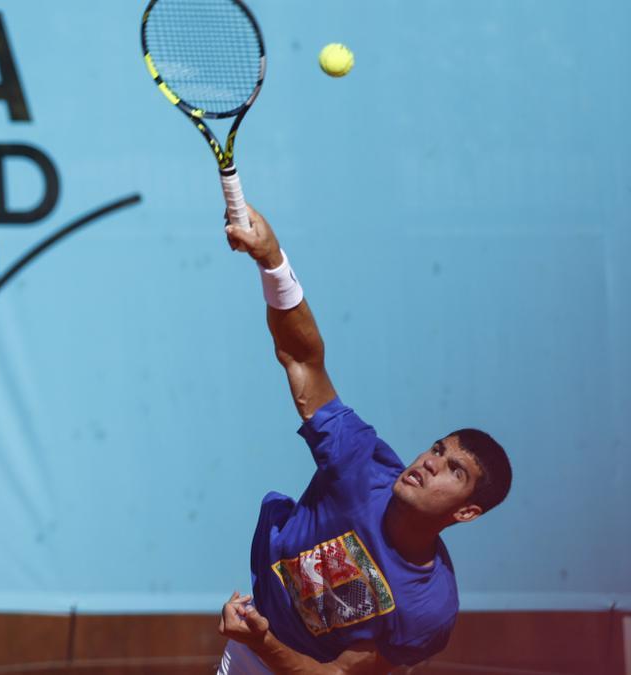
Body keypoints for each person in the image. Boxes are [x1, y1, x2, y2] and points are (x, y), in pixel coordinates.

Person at [215, 205, 513, 674]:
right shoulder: (359, 463)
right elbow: (301, 358)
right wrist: (273, 261)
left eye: (455, 471)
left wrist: (267, 642)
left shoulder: (429, 610)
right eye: (438, 448)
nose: (432, 462)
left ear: (466, 512)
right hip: (250, 651)